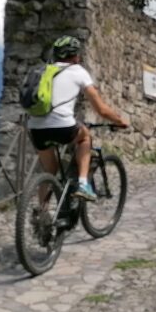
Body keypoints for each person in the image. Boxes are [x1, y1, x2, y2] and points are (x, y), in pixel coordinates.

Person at [27, 35, 130, 201]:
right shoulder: (79, 72)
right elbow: (101, 110)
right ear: (76, 56)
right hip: (63, 126)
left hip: (36, 127)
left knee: (49, 170)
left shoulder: (44, 71)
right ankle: (83, 184)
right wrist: (119, 121)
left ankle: (41, 214)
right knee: (85, 137)